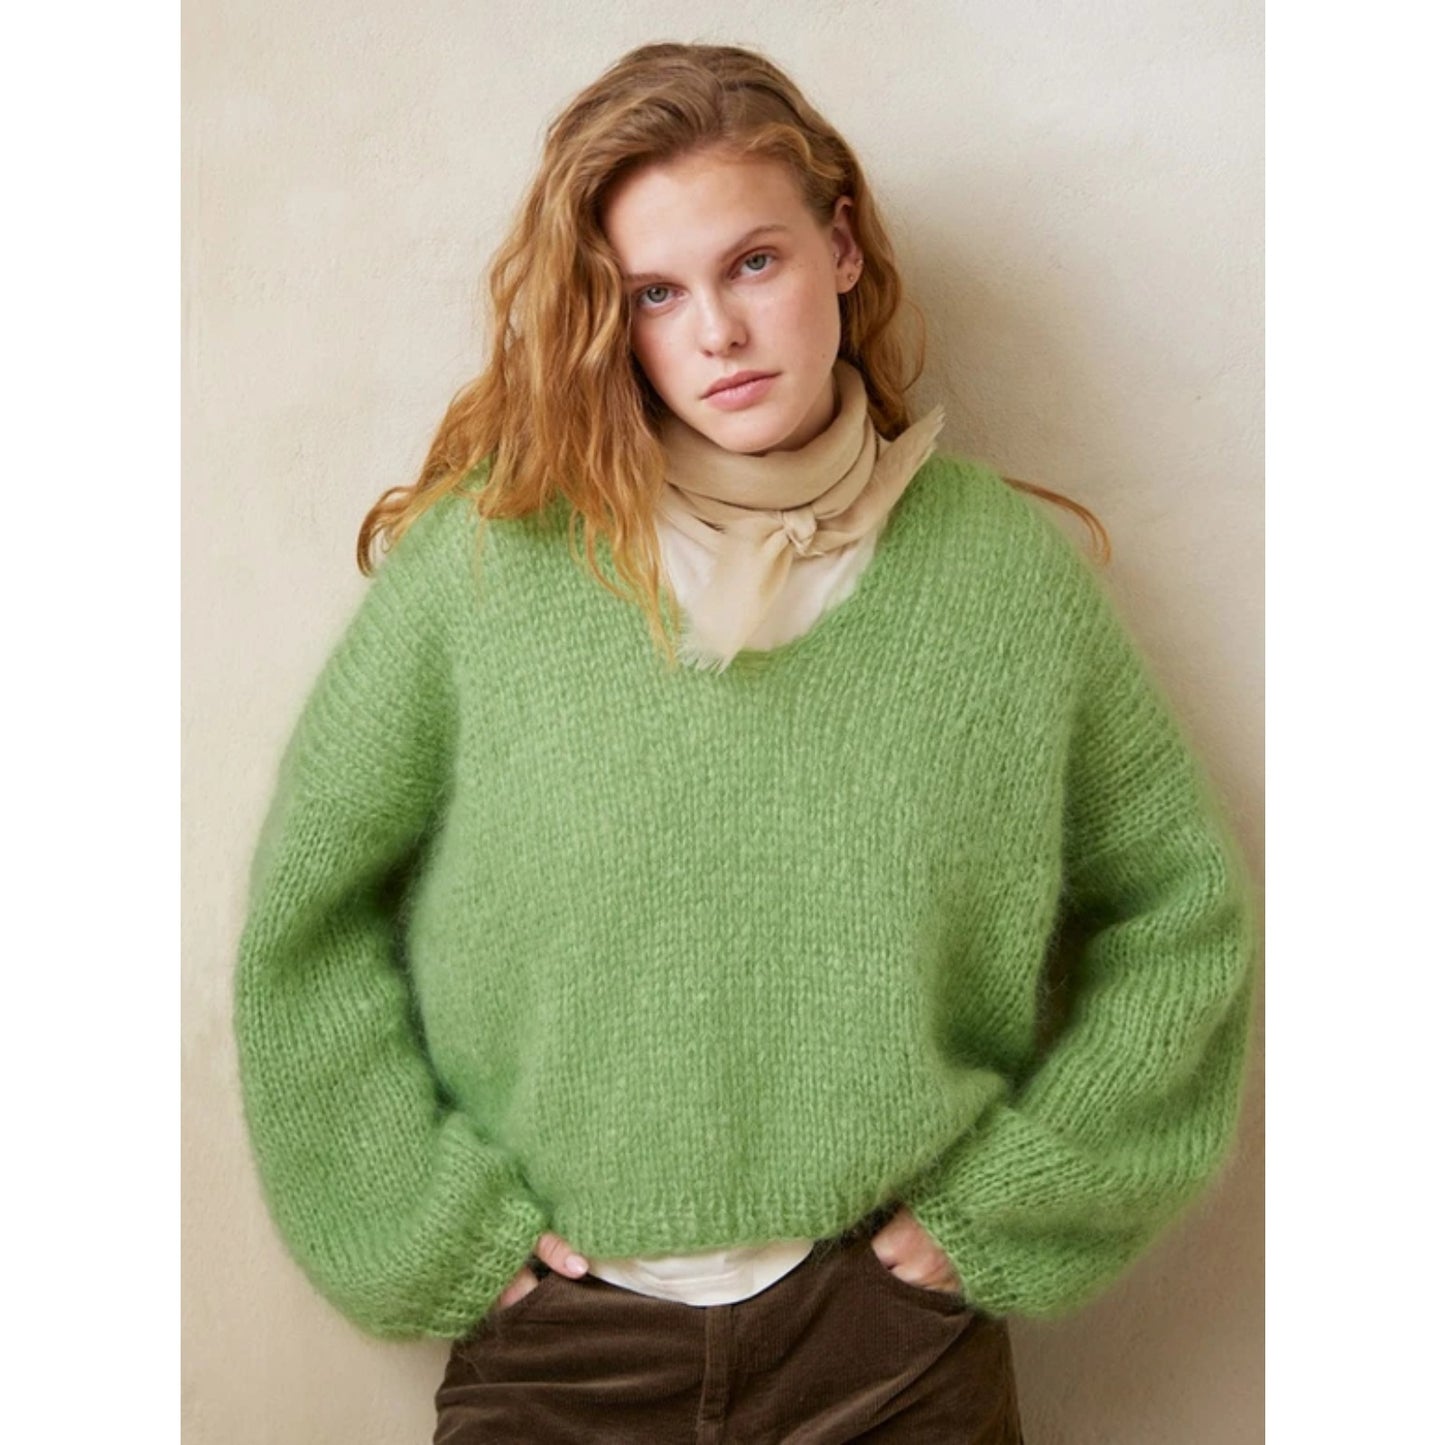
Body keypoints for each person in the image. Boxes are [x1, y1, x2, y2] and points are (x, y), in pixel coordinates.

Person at [232, 40, 1258, 1443]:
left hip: (889, 1353)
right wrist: (431, 1226)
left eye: (752, 263)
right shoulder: (489, 562)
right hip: (564, 1351)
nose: (715, 330)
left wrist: (1007, 1207)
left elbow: (1178, 912)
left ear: (840, 246)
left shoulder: (1001, 581)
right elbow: (310, 920)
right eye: (654, 292)